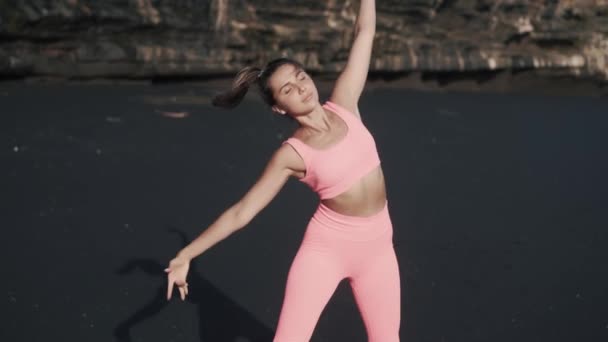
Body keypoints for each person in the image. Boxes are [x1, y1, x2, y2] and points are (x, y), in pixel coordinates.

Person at [165, 1, 400, 340]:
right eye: (288, 89)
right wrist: (187, 254)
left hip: (379, 247)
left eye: (301, 77)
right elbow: (242, 212)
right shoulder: (292, 153)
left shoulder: (345, 102)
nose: (301, 88)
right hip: (327, 251)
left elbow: (365, 32)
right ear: (279, 107)